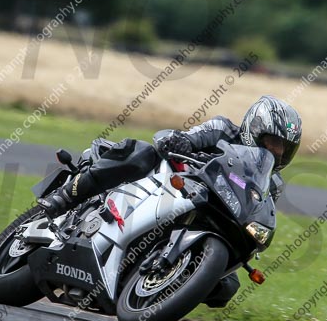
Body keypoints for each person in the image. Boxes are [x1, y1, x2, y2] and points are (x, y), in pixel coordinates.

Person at [38, 95, 303, 307]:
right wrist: (180, 142)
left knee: (227, 286)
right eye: (272, 143)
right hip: (172, 185)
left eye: (284, 149)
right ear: (253, 129)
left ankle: (158, 288)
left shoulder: (272, 183)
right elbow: (186, 136)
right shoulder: (222, 129)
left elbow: (255, 210)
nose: (276, 152)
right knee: (140, 152)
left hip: (210, 217)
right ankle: (64, 197)